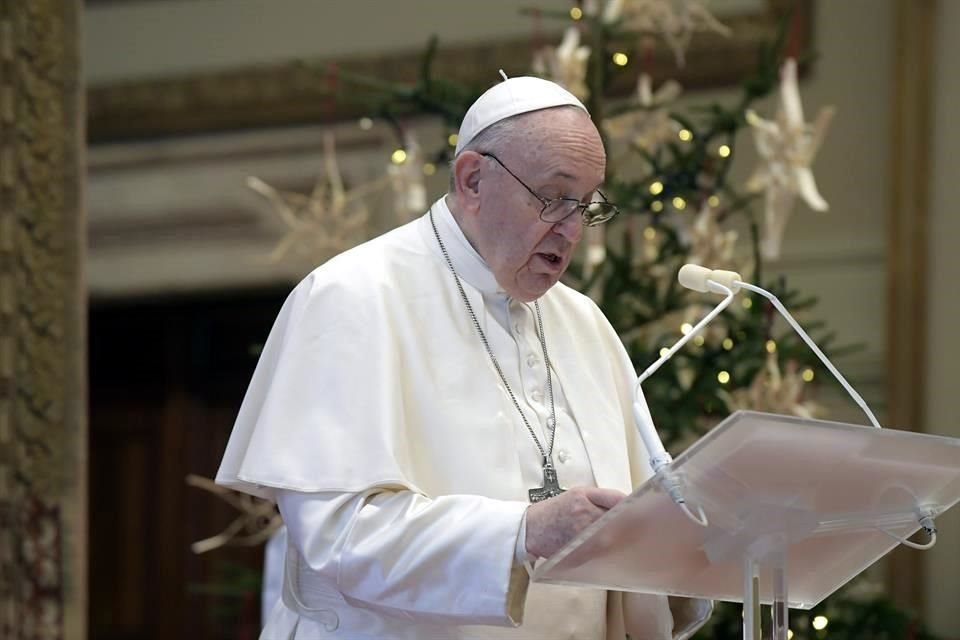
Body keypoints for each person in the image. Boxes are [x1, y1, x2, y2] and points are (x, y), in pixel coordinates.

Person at [216, 75, 711, 639]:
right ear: (473, 178)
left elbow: (643, 527)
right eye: (554, 198)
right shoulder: (353, 295)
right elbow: (339, 537)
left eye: (588, 205)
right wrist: (522, 532)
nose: (572, 230)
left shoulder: (585, 324)